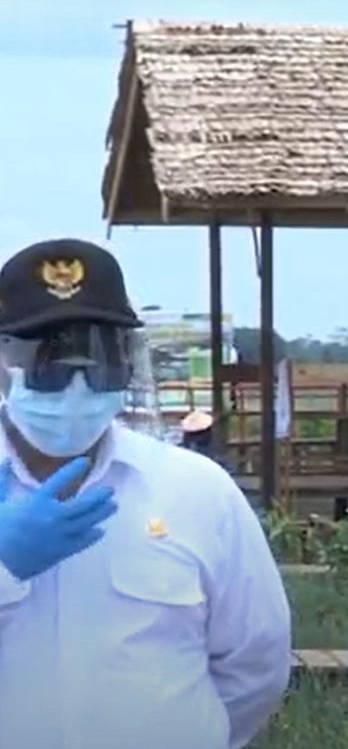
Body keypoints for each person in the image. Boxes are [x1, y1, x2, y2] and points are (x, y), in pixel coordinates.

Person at [0, 238, 292, 749]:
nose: (77, 387)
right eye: (48, 363)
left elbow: (256, 664)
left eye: (100, 362)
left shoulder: (196, 491)